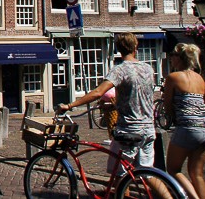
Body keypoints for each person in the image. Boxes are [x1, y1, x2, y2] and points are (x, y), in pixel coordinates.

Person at [59, 33, 156, 173]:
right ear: (136, 47)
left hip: (129, 130)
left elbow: (98, 92)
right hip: (148, 128)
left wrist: (70, 106)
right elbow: (139, 95)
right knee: (147, 174)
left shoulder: (120, 70)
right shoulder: (148, 69)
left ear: (118, 49)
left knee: (119, 174)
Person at [163, 43, 205, 199]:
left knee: (173, 169)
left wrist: (172, 118)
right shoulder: (199, 78)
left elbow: (167, 106)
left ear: (179, 58)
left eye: (172, 55)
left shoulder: (173, 77)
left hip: (188, 127)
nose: (170, 58)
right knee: (196, 173)